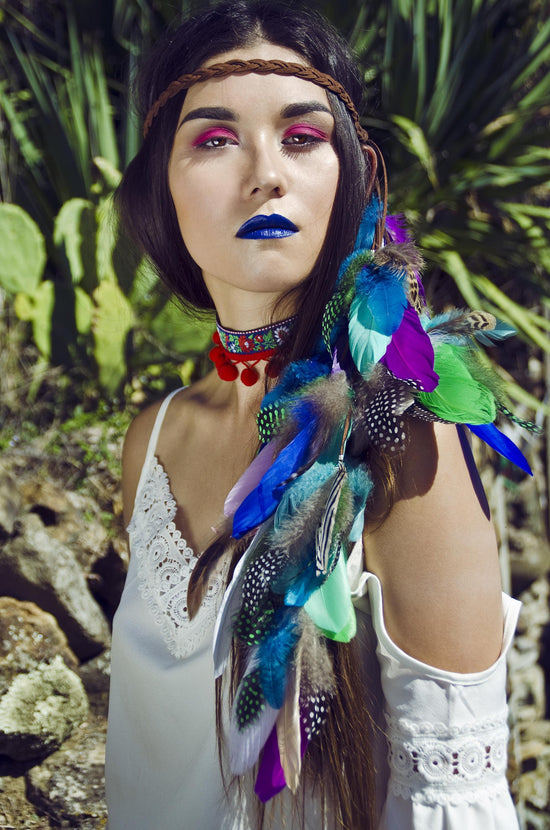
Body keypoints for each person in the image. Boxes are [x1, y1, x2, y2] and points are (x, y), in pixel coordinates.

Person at [105, 2, 525, 828]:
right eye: (215, 139)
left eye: (302, 138)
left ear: (352, 173)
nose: (267, 172)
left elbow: (455, 803)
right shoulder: (151, 442)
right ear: (161, 181)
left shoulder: (410, 439)